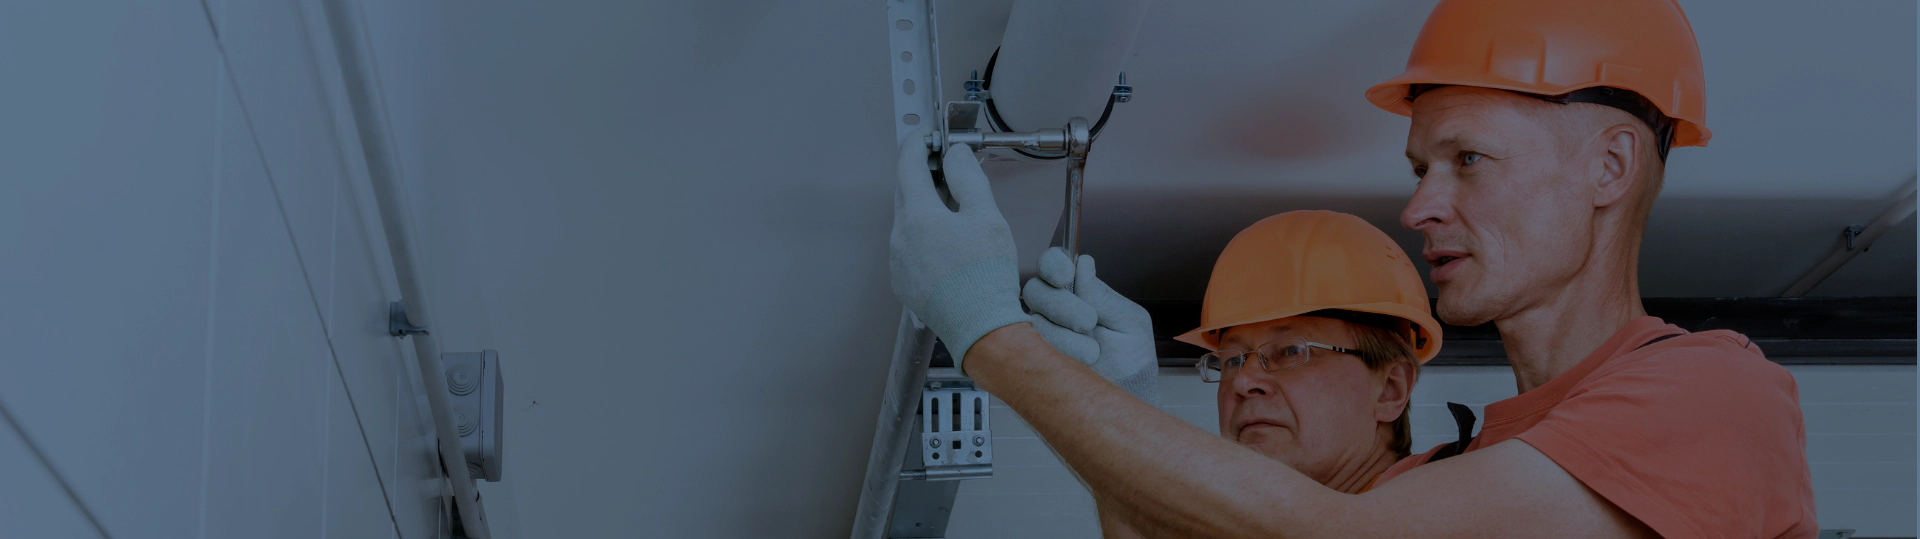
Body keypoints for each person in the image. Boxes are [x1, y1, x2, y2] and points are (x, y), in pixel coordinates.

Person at [885, 0, 1818, 536]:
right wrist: (1117, 416)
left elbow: (1340, 537)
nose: (1421, 207)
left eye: (1469, 161)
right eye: (1420, 171)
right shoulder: (1461, 472)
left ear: (1610, 167)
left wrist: (989, 335)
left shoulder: (1710, 392)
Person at [1031, 211, 1442, 538]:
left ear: (1390, 389)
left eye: (1290, 351)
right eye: (1230, 360)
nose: (1243, 382)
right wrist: (1120, 406)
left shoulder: (1450, 509)